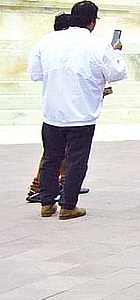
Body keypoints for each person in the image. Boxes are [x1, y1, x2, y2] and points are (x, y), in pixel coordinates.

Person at [29, 0, 128, 220]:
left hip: (53, 111)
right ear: (92, 22)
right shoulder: (97, 45)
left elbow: (34, 73)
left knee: (51, 158)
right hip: (82, 113)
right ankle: (68, 204)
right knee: (76, 160)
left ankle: (46, 202)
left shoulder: (47, 41)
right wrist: (117, 53)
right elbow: (118, 73)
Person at [26, 13, 87, 204]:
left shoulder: (48, 46)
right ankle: (40, 188)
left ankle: (54, 189)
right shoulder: (59, 48)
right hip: (69, 114)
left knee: (55, 155)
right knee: (57, 155)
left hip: (54, 112)